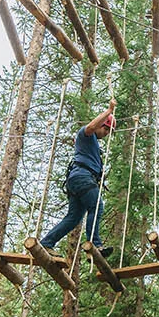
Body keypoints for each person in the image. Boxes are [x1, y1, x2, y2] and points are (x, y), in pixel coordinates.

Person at [38, 99, 118, 256]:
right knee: (96, 206)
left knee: (74, 218)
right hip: (82, 177)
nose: (107, 134)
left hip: (79, 180)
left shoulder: (93, 145)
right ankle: (95, 244)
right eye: (107, 130)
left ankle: (46, 243)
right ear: (102, 125)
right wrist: (109, 111)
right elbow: (90, 127)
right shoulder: (85, 135)